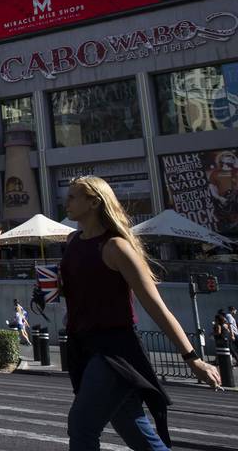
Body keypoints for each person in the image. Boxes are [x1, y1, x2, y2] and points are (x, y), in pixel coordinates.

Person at [61, 175, 220, 450]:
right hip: (82, 345)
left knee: (82, 425)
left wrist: (193, 359)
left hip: (114, 350)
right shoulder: (73, 241)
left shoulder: (115, 247)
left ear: (94, 202)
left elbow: (156, 306)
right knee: (136, 431)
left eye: (74, 196)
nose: (67, 201)